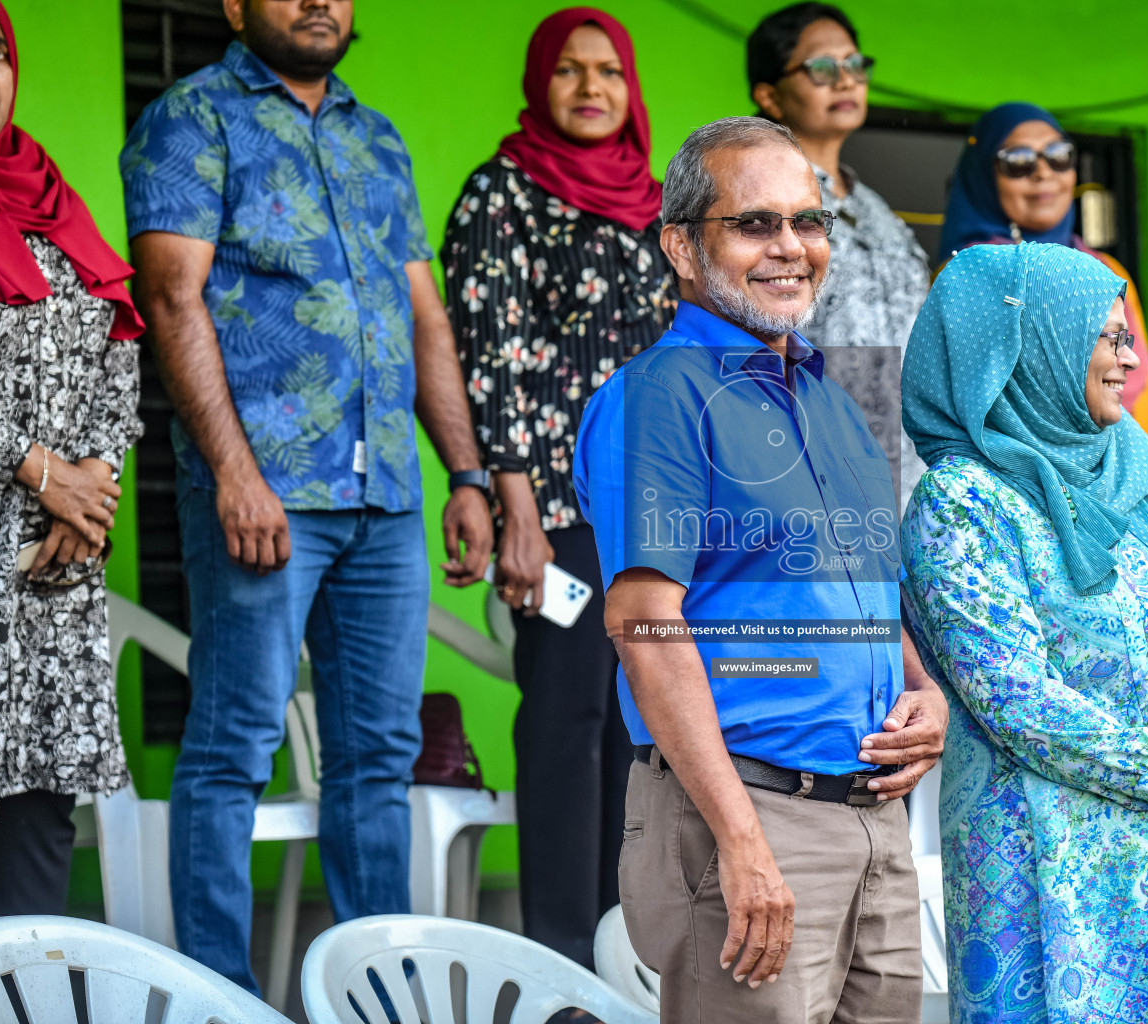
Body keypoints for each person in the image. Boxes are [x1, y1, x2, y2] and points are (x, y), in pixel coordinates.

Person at [120, 0, 494, 992]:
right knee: (233, 746)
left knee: (380, 753)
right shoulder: (191, 117)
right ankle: (217, 999)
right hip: (265, 496)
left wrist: (462, 474)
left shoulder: (377, 136)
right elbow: (170, 298)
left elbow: (425, 318)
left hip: (388, 499)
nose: (319, 0)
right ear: (237, 8)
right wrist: (237, 474)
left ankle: (375, 992)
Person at [574, 116, 947, 1023]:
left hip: (874, 825)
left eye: (808, 222)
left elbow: (858, 594)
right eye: (755, 225)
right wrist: (741, 842)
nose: (792, 247)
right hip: (749, 816)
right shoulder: (660, 397)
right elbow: (646, 630)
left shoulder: (832, 399)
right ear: (682, 247)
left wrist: (923, 688)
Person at [899, 241, 1148, 1024]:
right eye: (1108, 336)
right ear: (1032, 345)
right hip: (1056, 875)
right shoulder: (963, 502)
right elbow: (1015, 696)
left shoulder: (1128, 475)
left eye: (1131, 337)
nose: (1130, 360)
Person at [441, 7, 673, 972]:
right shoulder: (500, 193)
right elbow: (488, 359)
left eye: (608, 71)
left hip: (656, 511)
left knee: (648, 722)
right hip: (559, 509)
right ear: (541, 83)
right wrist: (517, 512)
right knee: (566, 718)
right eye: (571, 71)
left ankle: (635, 950)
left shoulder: (662, 207)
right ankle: (560, 961)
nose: (591, 88)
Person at [0, 0, 143, 915]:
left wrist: (92, 493)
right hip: (26, 512)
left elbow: (113, 348)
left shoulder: (48, 200)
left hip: (50, 561)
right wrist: (44, 472)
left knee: (38, 803)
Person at [747, 2, 929, 507]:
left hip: (908, 476)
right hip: (809, 469)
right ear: (769, 95)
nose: (846, 80)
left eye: (855, 66)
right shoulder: (758, 199)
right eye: (823, 68)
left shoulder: (875, 209)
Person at [940, 102, 1148, 482]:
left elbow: (1142, 402)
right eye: (1017, 161)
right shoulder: (969, 276)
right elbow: (980, 408)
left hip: (1125, 485)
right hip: (1021, 497)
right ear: (984, 176)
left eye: (1059, 156)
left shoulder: (1109, 271)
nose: (1043, 173)